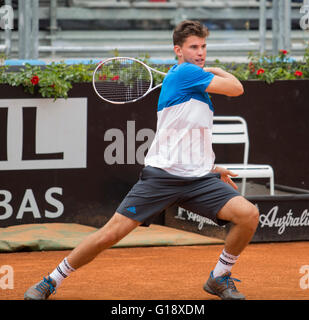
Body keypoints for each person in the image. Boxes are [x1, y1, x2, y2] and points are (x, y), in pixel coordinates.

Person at [24, 20, 259, 301]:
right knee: (109, 236)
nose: (200, 53)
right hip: (161, 177)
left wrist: (209, 168)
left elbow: (187, 133)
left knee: (248, 215)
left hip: (198, 178)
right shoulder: (186, 73)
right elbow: (236, 88)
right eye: (193, 47)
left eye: (204, 47)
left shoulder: (194, 84)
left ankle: (219, 278)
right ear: (178, 51)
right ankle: (51, 280)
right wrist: (215, 69)